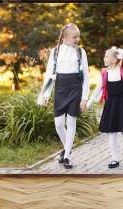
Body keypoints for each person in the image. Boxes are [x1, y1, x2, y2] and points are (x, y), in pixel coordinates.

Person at [37, 24, 90, 169]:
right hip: (60, 88)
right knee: (59, 124)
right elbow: (49, 74)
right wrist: (45, 95)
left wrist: (84, 98)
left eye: (78, 36)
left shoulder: (81, 52)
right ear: (65, 37)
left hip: (75, 88)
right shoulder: (55, 52)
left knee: (71, 122)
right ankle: (68, 147)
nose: (77, 39)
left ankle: (67, 156)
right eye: (74, 37)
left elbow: (86, 76)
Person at [86, 46, 123, 169]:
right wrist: (89, 103)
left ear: (115, 59)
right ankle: (115, 159)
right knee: (111, 133)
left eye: (107, 56)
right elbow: (98, 89)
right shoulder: (105, 73)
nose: (104, 58)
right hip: (110, 105)